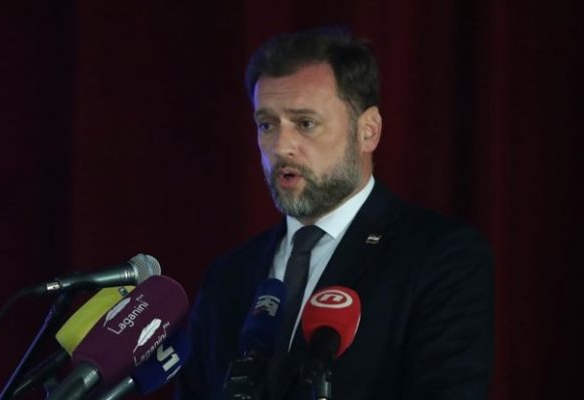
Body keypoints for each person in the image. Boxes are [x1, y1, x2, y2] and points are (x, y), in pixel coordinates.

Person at [176, 27, 493, 400]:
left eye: (305, 123)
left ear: (368, 131)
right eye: (267, 125)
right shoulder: (227, 278)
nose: (281, 146)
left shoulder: (439, 257)